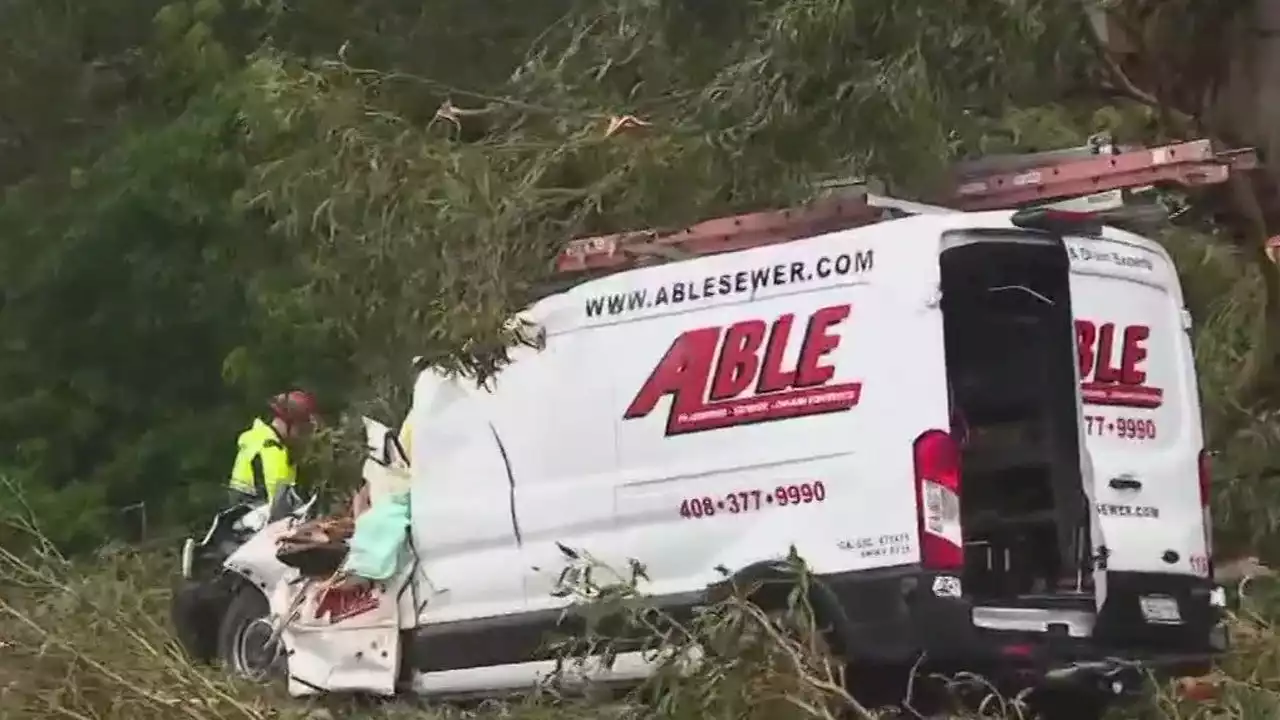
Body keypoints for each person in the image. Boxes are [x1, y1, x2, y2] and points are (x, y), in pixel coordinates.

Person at [227, 389, 320, 506]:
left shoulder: (261, 439)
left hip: (247, 516)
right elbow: (278, 508)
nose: (303, 437)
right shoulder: (271, 449)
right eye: (302, 429)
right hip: (258, 518)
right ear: (289, 423)